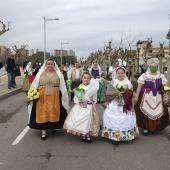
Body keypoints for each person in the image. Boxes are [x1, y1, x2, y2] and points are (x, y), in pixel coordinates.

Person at [28, 58, 69, 140]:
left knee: (53, 111)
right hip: (42, 97)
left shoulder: (59, 74)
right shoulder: (40, 73)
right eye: (48, 64)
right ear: (45, 65)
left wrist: (64, 96)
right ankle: (43, 131)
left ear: (54, 65)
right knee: (43, 112)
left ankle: (53, 127)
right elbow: (35, 84)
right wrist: (32, 94)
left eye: (52, 64)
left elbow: (63, 86)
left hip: (55, 96)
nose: (50, 65)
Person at [101, 67, 139, 145]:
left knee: (125, 117)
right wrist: (117, 94)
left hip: (125, 103)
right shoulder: (113, 82)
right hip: (114, 102)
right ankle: (114, 137)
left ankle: (125, 135)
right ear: (116, 74)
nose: (120, 75)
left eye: (122, 73)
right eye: (119, 73)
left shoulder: (128, 83)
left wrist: (124, 94)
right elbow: (108, 92)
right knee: (114, 118)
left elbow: (130, 93)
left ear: (124, 74)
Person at [134, 59, 169, 136]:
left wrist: (167, 96)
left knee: (157, 111)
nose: (153, 67)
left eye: (155, 66)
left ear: (157, 67)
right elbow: (139, 87)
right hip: (146, 96)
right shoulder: (144, 76)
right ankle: (146, 128)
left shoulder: (161, 76)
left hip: (158, 96)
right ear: (149, 67)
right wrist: (136, 96)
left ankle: (153, 127)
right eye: (152, 66)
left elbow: (166, 87)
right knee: (145, 111)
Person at [64, 72, 100, 143]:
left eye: (88, 78)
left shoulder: (93, 88)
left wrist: (92, 102)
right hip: (80, 106)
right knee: (82, 120)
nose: (86, 79)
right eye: (85, 78)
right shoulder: (79, 88)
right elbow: (75, 97)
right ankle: (83, 135)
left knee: (88, 121)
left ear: (90, 79)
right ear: (82, 79)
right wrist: (78, 100)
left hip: (89, 106)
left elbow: (95, 98)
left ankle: (88, 135)